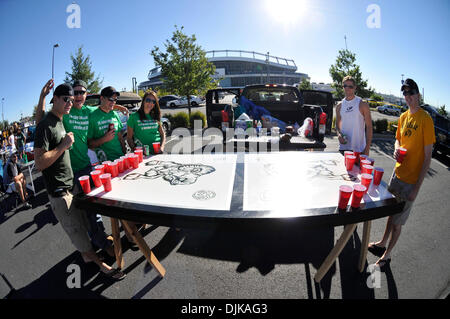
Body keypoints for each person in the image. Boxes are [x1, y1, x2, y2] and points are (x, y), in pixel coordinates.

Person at [34, 83, 125, 280]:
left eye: (80, 93)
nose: (74, 98)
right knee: (77, 222)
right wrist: (42, 97)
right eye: (70, 96)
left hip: (82, 170)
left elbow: (103, 107)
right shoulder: (60, 116)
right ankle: (92, 255)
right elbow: (41, 123)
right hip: (62, 182)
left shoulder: (80, 113)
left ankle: (99, 245)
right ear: (58, 99)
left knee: (91, 211)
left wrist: (117, 106)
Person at [368, 78, 435, 268]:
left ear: (418, 95)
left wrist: (416, 189)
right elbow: (397, 140)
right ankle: (382, 243)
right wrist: (396, 149)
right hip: (397, 174)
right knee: (391, 212)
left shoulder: (426, 119)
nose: (408, 97)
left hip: (411, 181)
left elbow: (428, 156)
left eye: (411, 93)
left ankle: (387, 256)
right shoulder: (404, 116)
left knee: (398, 223)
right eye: (405, 94)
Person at [336, 76, 373, 156]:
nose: (347, 88)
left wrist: (367, 149)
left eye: (350, 86)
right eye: (345, 86)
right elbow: (338, 125)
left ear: (355, 88)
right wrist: (339, 134)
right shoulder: (339, 105)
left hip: (359, 150)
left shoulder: (362, 104)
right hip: (343, 149)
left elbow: (369, 127)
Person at [87, 86, 126, 162]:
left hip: (120, 158)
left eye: (115, 100)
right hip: (104, 163)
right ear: (101, 98)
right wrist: (104, 139)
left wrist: (125, 153)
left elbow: (120, 137)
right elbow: (89, 144)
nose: (113, 102)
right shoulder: (92, 116)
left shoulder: (114, 114)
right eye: (110, 99)